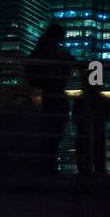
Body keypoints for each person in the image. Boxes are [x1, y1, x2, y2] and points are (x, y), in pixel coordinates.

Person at [26, 23, 72, 174]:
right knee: (51, 136)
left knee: (46, 137)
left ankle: (44, 169)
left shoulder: (39, 51)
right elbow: (52, 76)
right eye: (59, 40)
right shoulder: (49, 54)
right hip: (51, 100)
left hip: (41, 100)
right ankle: (47, 170)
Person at [73, 80, 109, 177]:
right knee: (99, 165)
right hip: (98, 135)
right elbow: (107, 117)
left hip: (83, 135)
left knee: (84, 167)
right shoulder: (103, 100)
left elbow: (75, 119)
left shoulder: (80, 100)